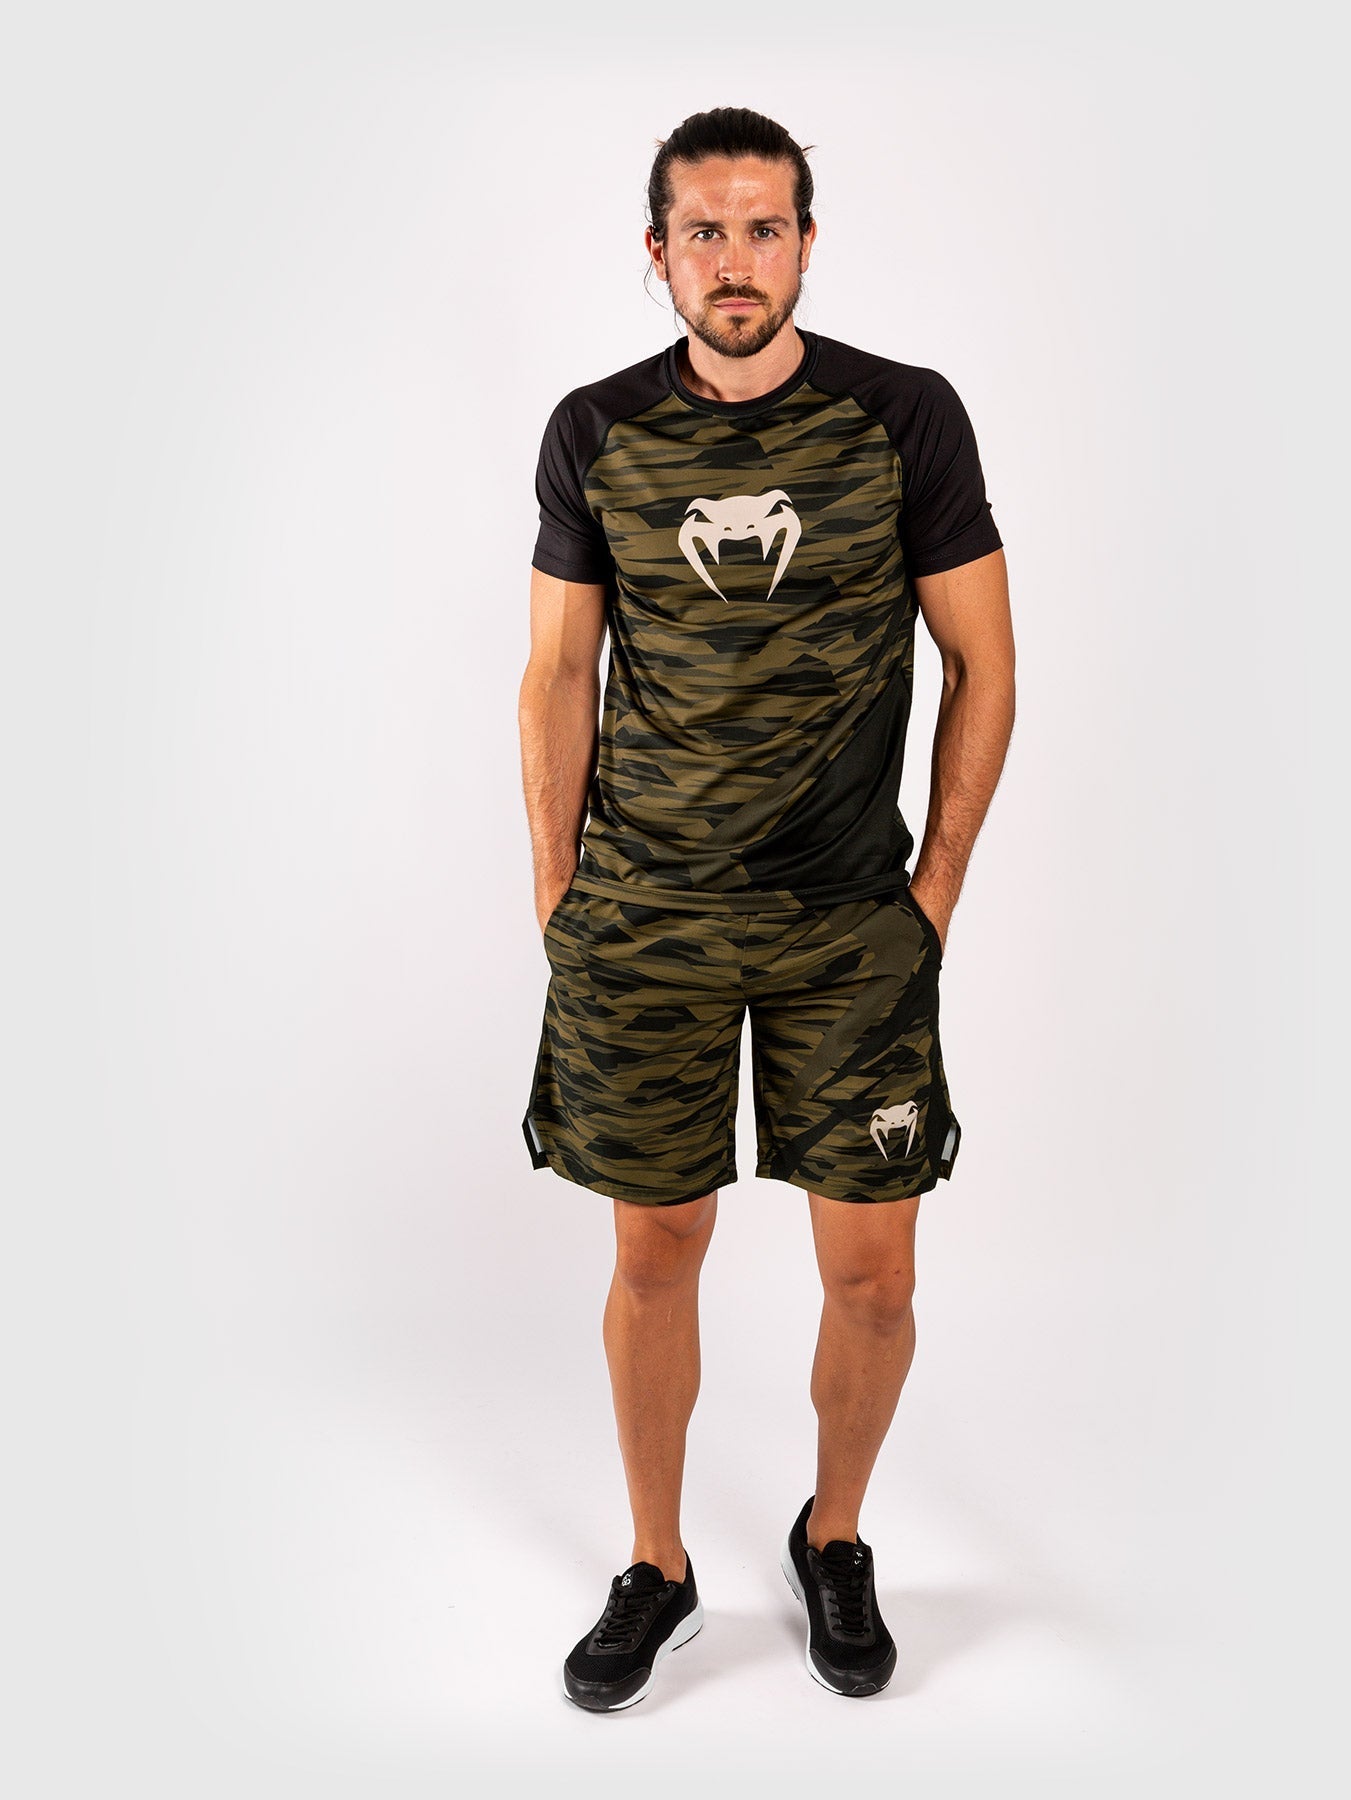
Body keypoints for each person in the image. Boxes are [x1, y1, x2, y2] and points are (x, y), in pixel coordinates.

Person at [518, 106, 1015, 1710]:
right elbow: (558, 672)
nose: (735, 262)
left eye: (763, 228)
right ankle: (656, 1566)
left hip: (850, 926)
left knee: (875, 1276)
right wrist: (558, 893)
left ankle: (836, 1534)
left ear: (806, 242)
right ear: (657, 252)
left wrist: (933, 894)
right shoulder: (596, 430)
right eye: (705, 232)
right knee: (655, 1249)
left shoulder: (904, 418)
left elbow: (984, 663)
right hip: (643, 918)